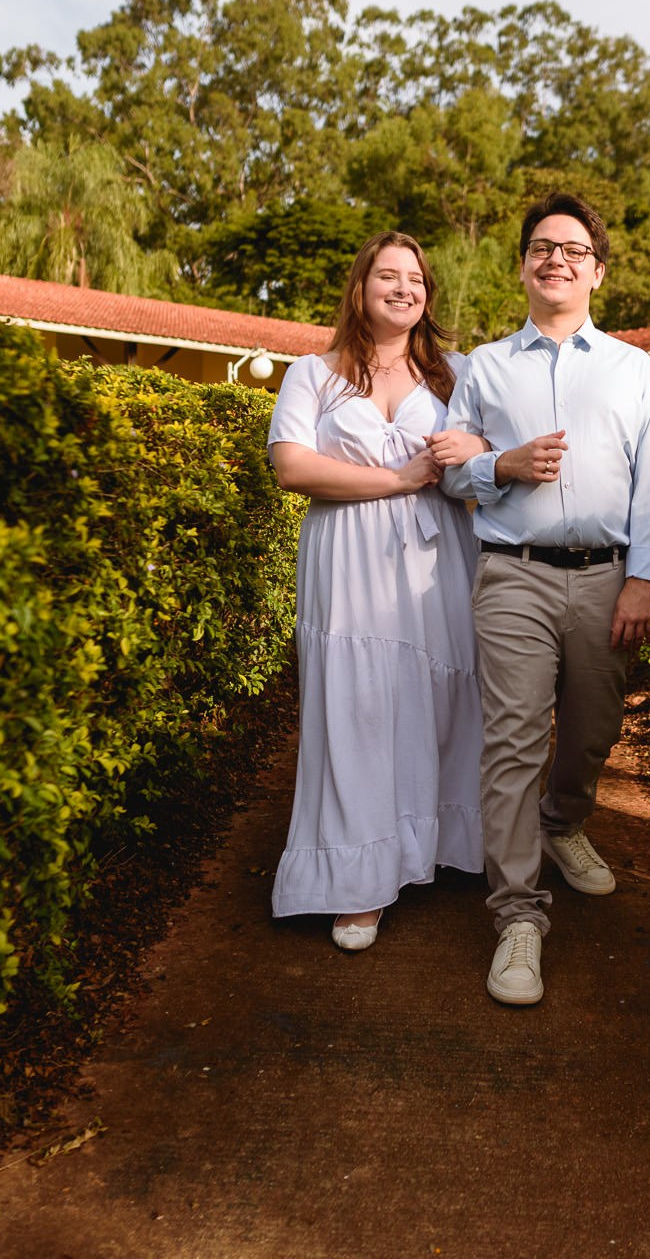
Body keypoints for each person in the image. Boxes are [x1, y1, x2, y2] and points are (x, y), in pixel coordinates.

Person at [438, 193, 650, 1005]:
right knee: (510, 739)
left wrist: (642, 576)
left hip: (609, 574)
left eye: (572, 250)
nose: (556, 259)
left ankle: (565, 820)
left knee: (592, 729)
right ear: (524, 265)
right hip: (514, 571)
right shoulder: (485, 368)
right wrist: (500, 465)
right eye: (542, 247)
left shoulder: (635, 370)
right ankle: (517, 917)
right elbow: (448, 466)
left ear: (597, 270)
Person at [266, 231, 489, 949]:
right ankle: (356, 881)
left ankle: (444, 845)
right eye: (387, 276)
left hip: (437, 556)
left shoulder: (457, 374)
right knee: (357, 705)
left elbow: (488, 455)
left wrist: (478, 452)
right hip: (349, 557)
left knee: (444, 697)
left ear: (428, 294)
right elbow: (292, 466)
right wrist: (396, 479)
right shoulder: (314, 374)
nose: (403, 288)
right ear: (360, 289)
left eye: (415, 278)